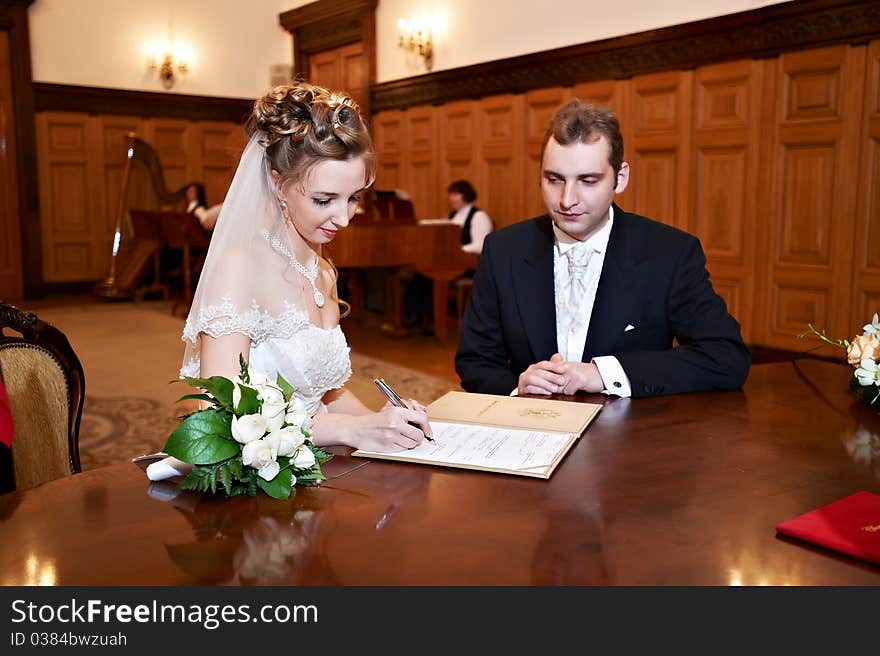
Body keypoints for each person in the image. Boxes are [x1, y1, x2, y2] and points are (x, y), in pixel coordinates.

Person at [181, 82, 432, 452]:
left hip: (314, 460)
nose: (344, 218)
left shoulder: (323, 271)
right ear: (278, 183)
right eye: (324, 199)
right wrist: (350, 430)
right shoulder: (238, 270)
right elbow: (221, 416)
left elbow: (324, 393)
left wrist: (382, 426)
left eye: (354, 198)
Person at [455, 99, 750, 398]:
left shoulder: (669, 252)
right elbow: (475, 362)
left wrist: (603, 374)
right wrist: (517, 387)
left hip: (633, 439)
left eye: (587, 180)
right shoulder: (502, 250)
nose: (566, 200)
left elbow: (726, 357)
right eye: (554, 180)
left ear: (619, 178)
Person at [446, 179, 493, 255]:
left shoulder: (478, 216)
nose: (451, 198)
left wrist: (457, 250)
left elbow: (481, 245)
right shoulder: (452, 215)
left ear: (466, 195)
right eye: (450, 194)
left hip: (473, 262)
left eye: (455, 194)